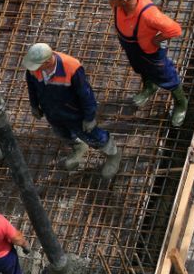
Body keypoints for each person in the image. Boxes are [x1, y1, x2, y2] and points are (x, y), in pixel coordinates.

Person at [24, 43, 122, 179]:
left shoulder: (71, 67)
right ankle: (79, 146)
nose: (33, 70)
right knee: (62, 133)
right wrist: (34, 105)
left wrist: (89, 118)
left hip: (74, 113)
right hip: (52, 111)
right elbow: (31, 86)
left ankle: (113, 154)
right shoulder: (34, 68)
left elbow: (86, 94)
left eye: (37, 66)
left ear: (47, 62)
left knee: (93, 136)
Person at [101, 0, 188, 127]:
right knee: (140, 69)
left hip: (150, 52)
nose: (108, 1)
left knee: (167, 76)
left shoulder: (149, 14)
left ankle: (181, 103)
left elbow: (175, 29)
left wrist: (156, 39)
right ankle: (150, 88)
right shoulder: (121, 5)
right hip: (132, 48)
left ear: (123, 0)